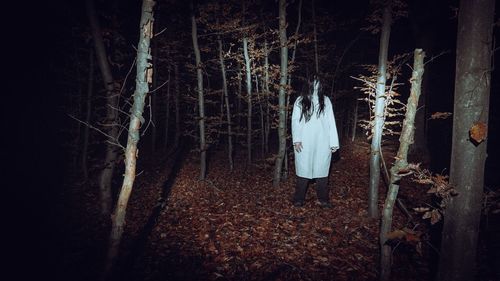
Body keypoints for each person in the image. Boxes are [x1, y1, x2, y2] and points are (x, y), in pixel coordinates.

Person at [291, 76, 339, 208]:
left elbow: (331, 122)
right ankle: (298, 199)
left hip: (323, 141)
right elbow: (296, 121)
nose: (317, 85)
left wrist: (333, 142)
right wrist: (297, 140)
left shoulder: (326, 101)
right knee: (303, 171)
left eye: (319, 83)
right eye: (314, 83)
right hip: (305, 141)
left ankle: (323, 199)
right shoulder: (300, 101)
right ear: (309, 84)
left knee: (322, 171)